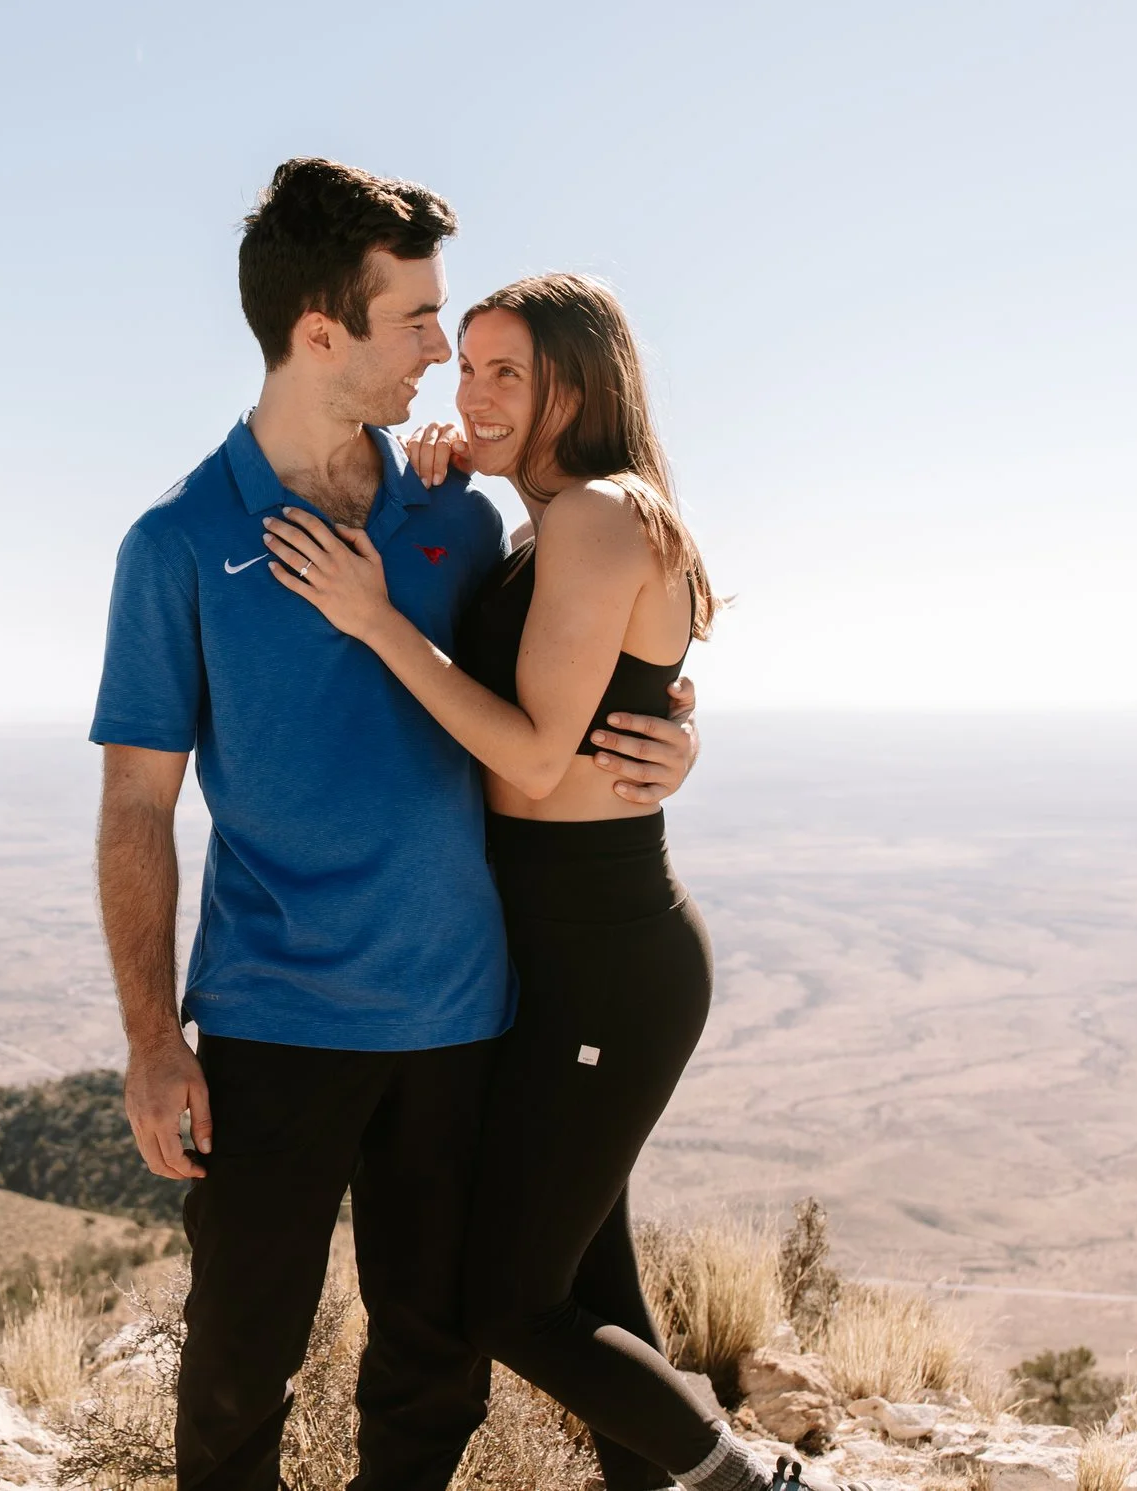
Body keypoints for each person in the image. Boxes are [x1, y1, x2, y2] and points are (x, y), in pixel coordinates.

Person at [90, 161, 700, 1491]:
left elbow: (572, 673)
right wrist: (149, 1035)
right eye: (418, 320)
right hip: (270, 1021)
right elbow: (136, 799)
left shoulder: (457, 515)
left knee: (433, 1358)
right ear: (321, 334)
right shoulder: (179, 543)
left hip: (468, 1012)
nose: (441, 347)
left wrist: (673, 726)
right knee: (242, 1357)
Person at [258, 271, 781, 1491]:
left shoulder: (601, 513)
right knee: (594, 1288)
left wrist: (375, 618)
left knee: (510, 1300)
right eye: (466, 366)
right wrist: (457, 475)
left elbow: (539, 753)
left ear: (577, 385)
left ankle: (749, 1481)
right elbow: (603, 702)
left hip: (602, 955)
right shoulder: (556, 519)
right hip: (547, 952)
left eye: (507, 372)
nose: (471, 391)